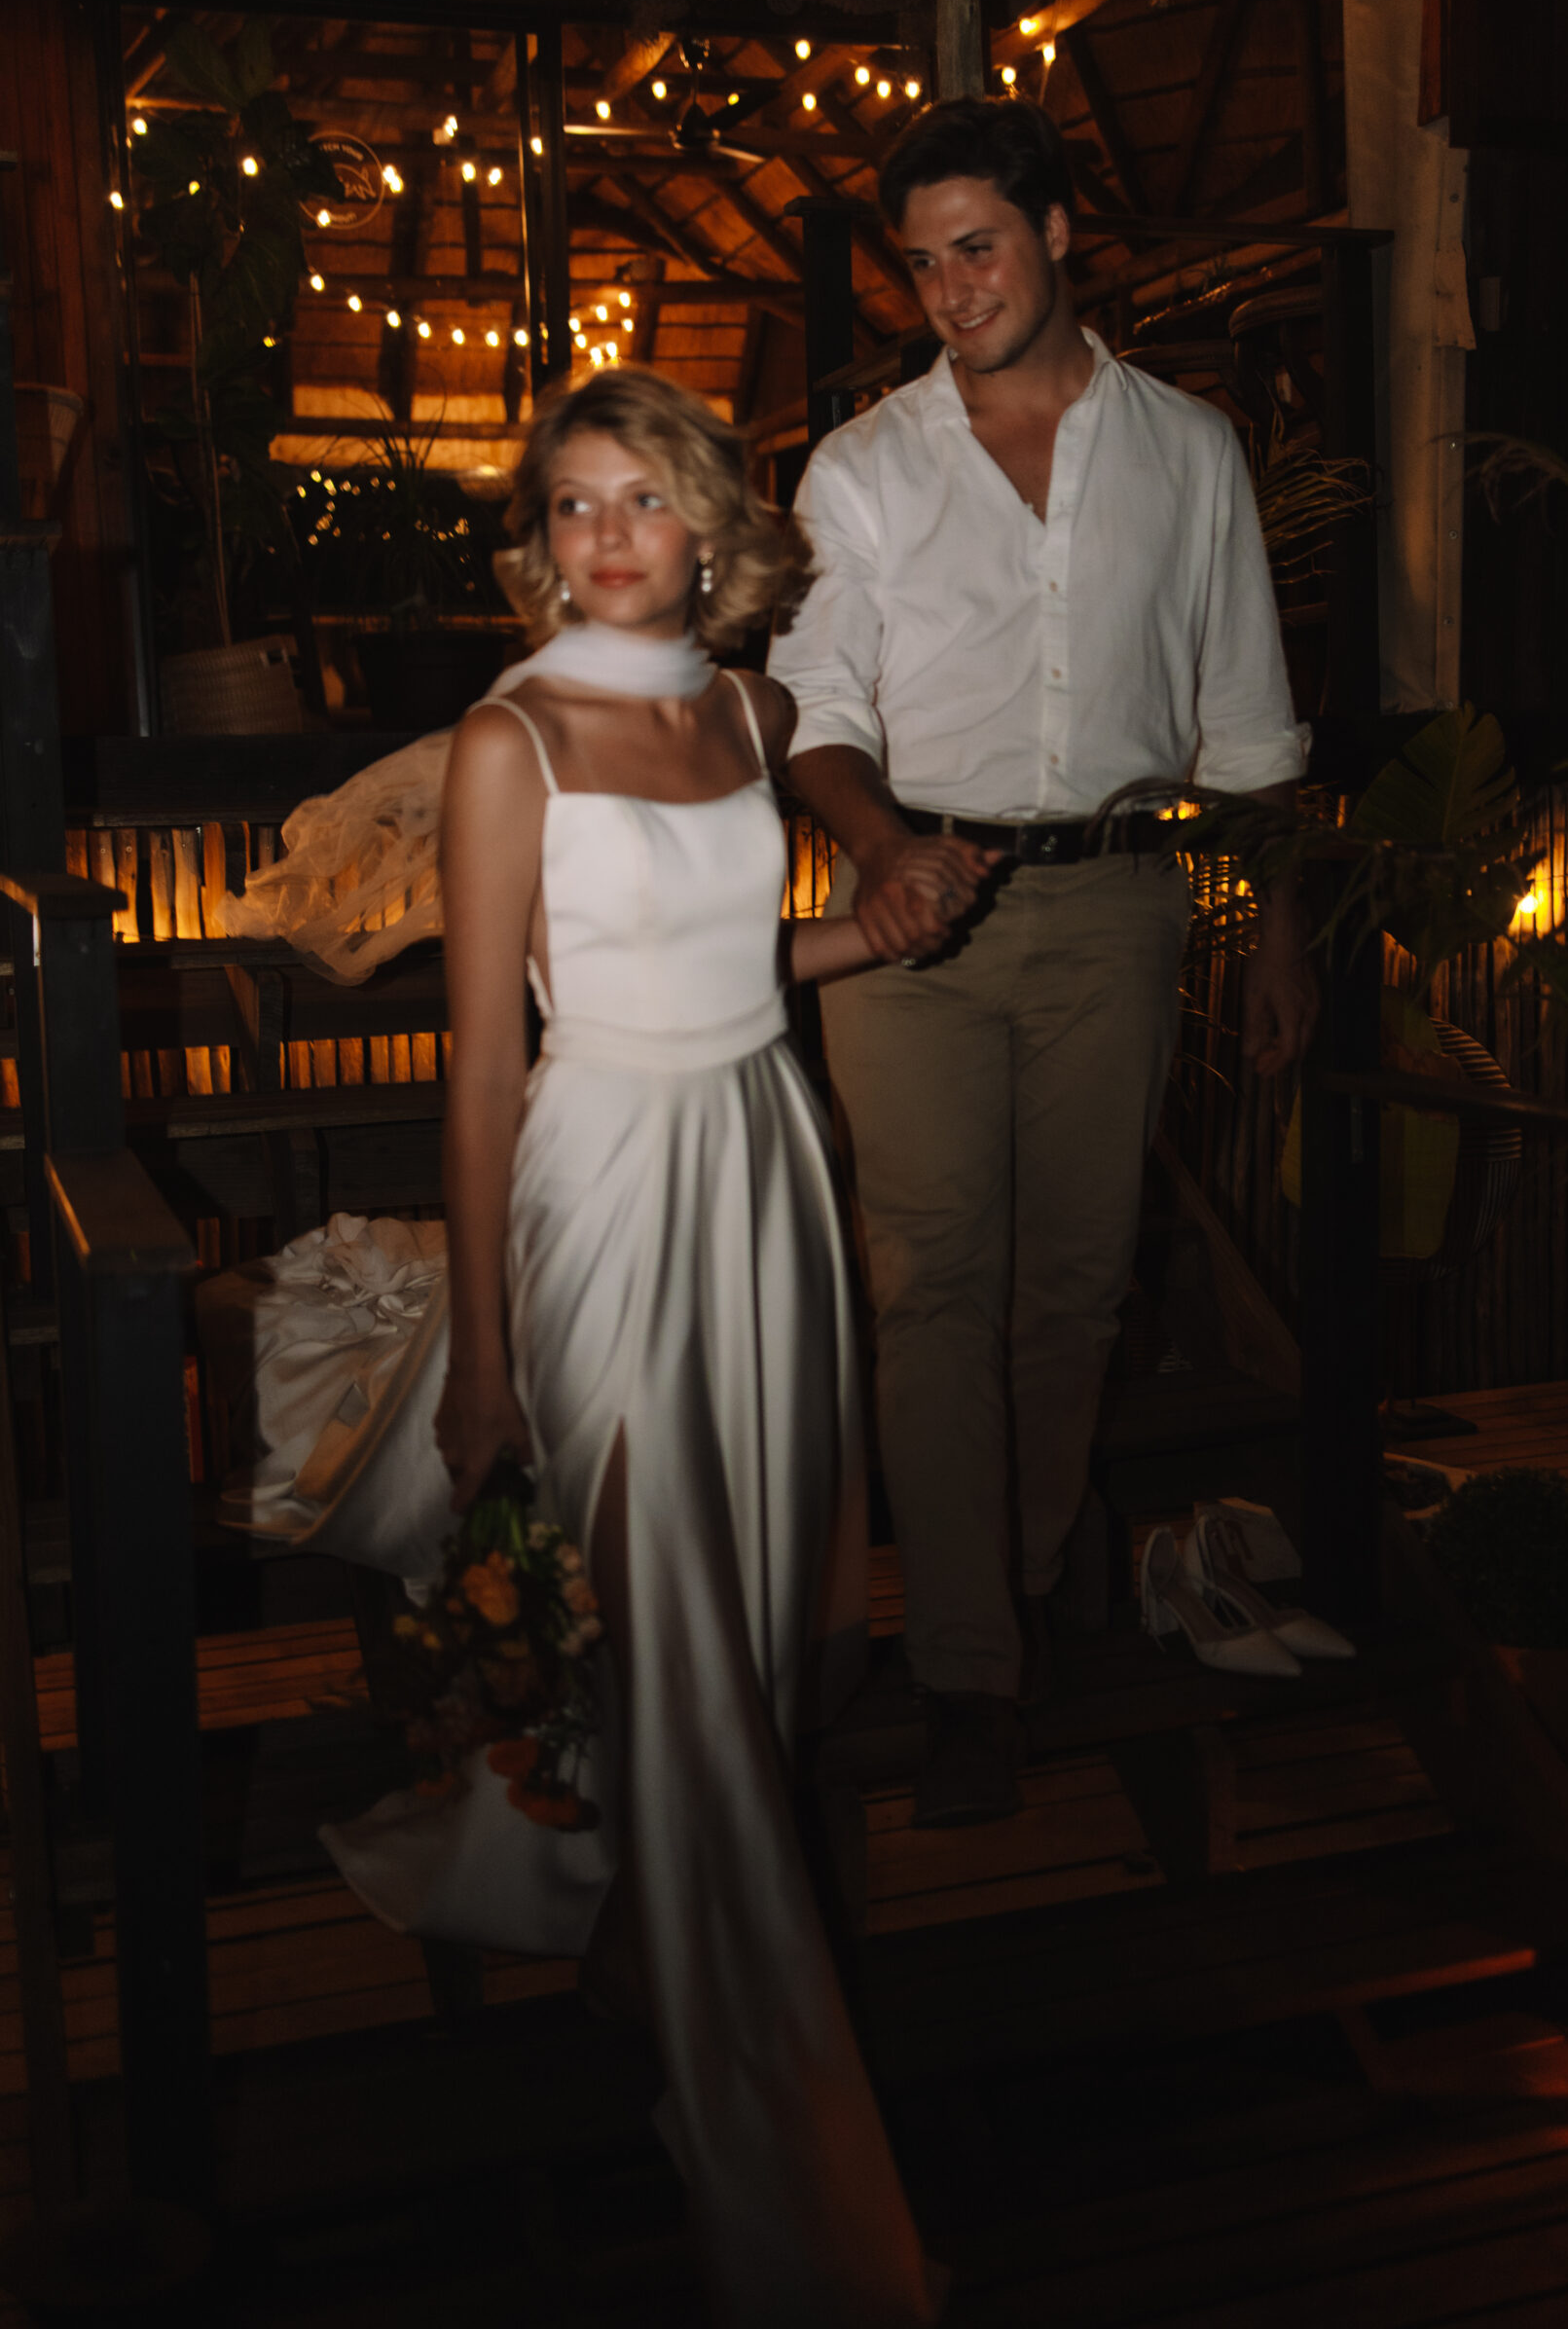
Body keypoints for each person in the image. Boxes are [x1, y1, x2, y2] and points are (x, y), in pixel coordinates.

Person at [321, 368, 967, 2326]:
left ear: (710, 527)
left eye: (643, 498)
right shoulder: (506, 736)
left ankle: (615, 1911)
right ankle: (760, 2122)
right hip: (599, 1178)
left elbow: (729, 960)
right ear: (547, 533)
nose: (605, 534)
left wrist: (888, 925)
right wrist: (487, 1354)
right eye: (574, 502)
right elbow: (487, 1053)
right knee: (665, 1619)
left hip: (762, 1160)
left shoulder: (745, 710)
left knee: (759, 1613)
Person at [769, 94, 1317, 1831]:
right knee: (932, 1288)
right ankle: (968, 1670)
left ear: (1062, 229)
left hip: (1118, 904)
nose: (947, 289)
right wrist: (880, 854)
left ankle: (1000, 1577)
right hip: (909, 916)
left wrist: (1282, 922)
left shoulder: (1193, 451)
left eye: (977, 246)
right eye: (922, 263)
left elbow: (1243, 720)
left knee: (1075, 1284)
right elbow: (816, 710)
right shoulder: (859, 469)